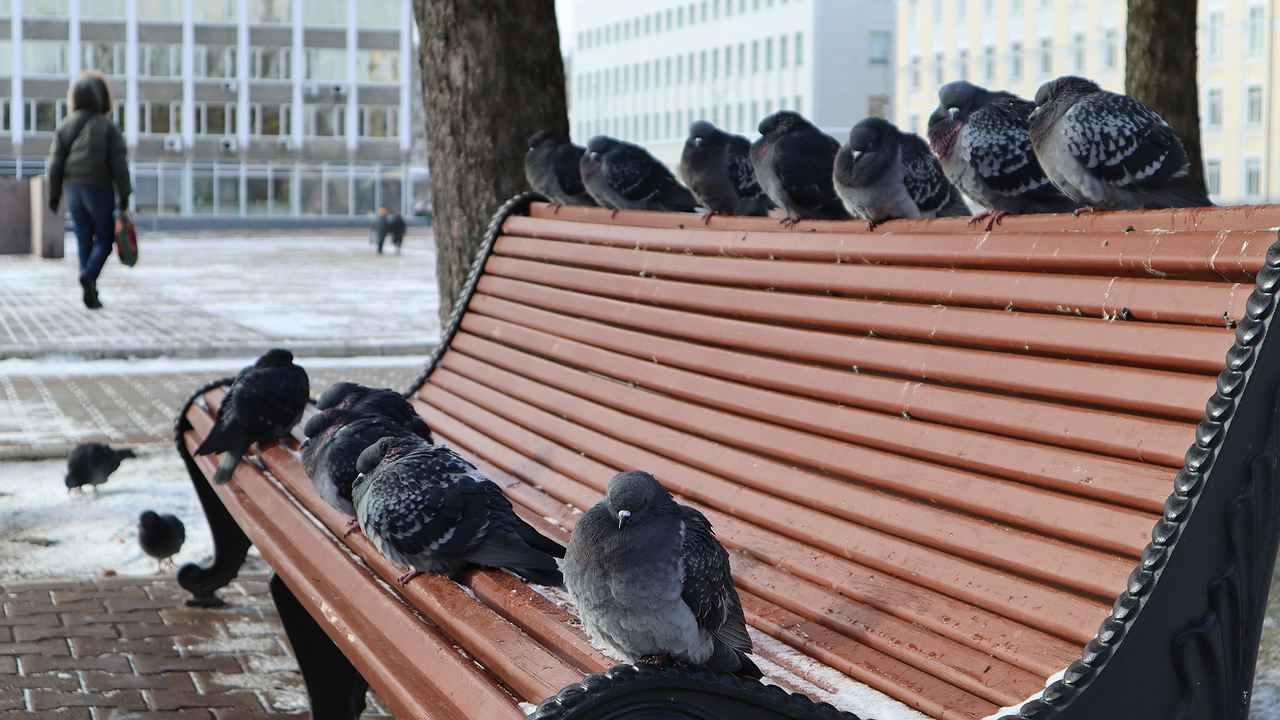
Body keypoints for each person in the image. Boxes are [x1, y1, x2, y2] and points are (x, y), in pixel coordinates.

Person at [46, 70, 131, 310]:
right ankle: (89, 276)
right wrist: (124, 196)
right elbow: (119, 163)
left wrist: (53, 195)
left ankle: (89, 288)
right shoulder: (107, 126)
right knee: (104, 238)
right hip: (99, 189)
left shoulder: (65, 125)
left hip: (74, 190)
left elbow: (54, 163)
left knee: (83, 238)